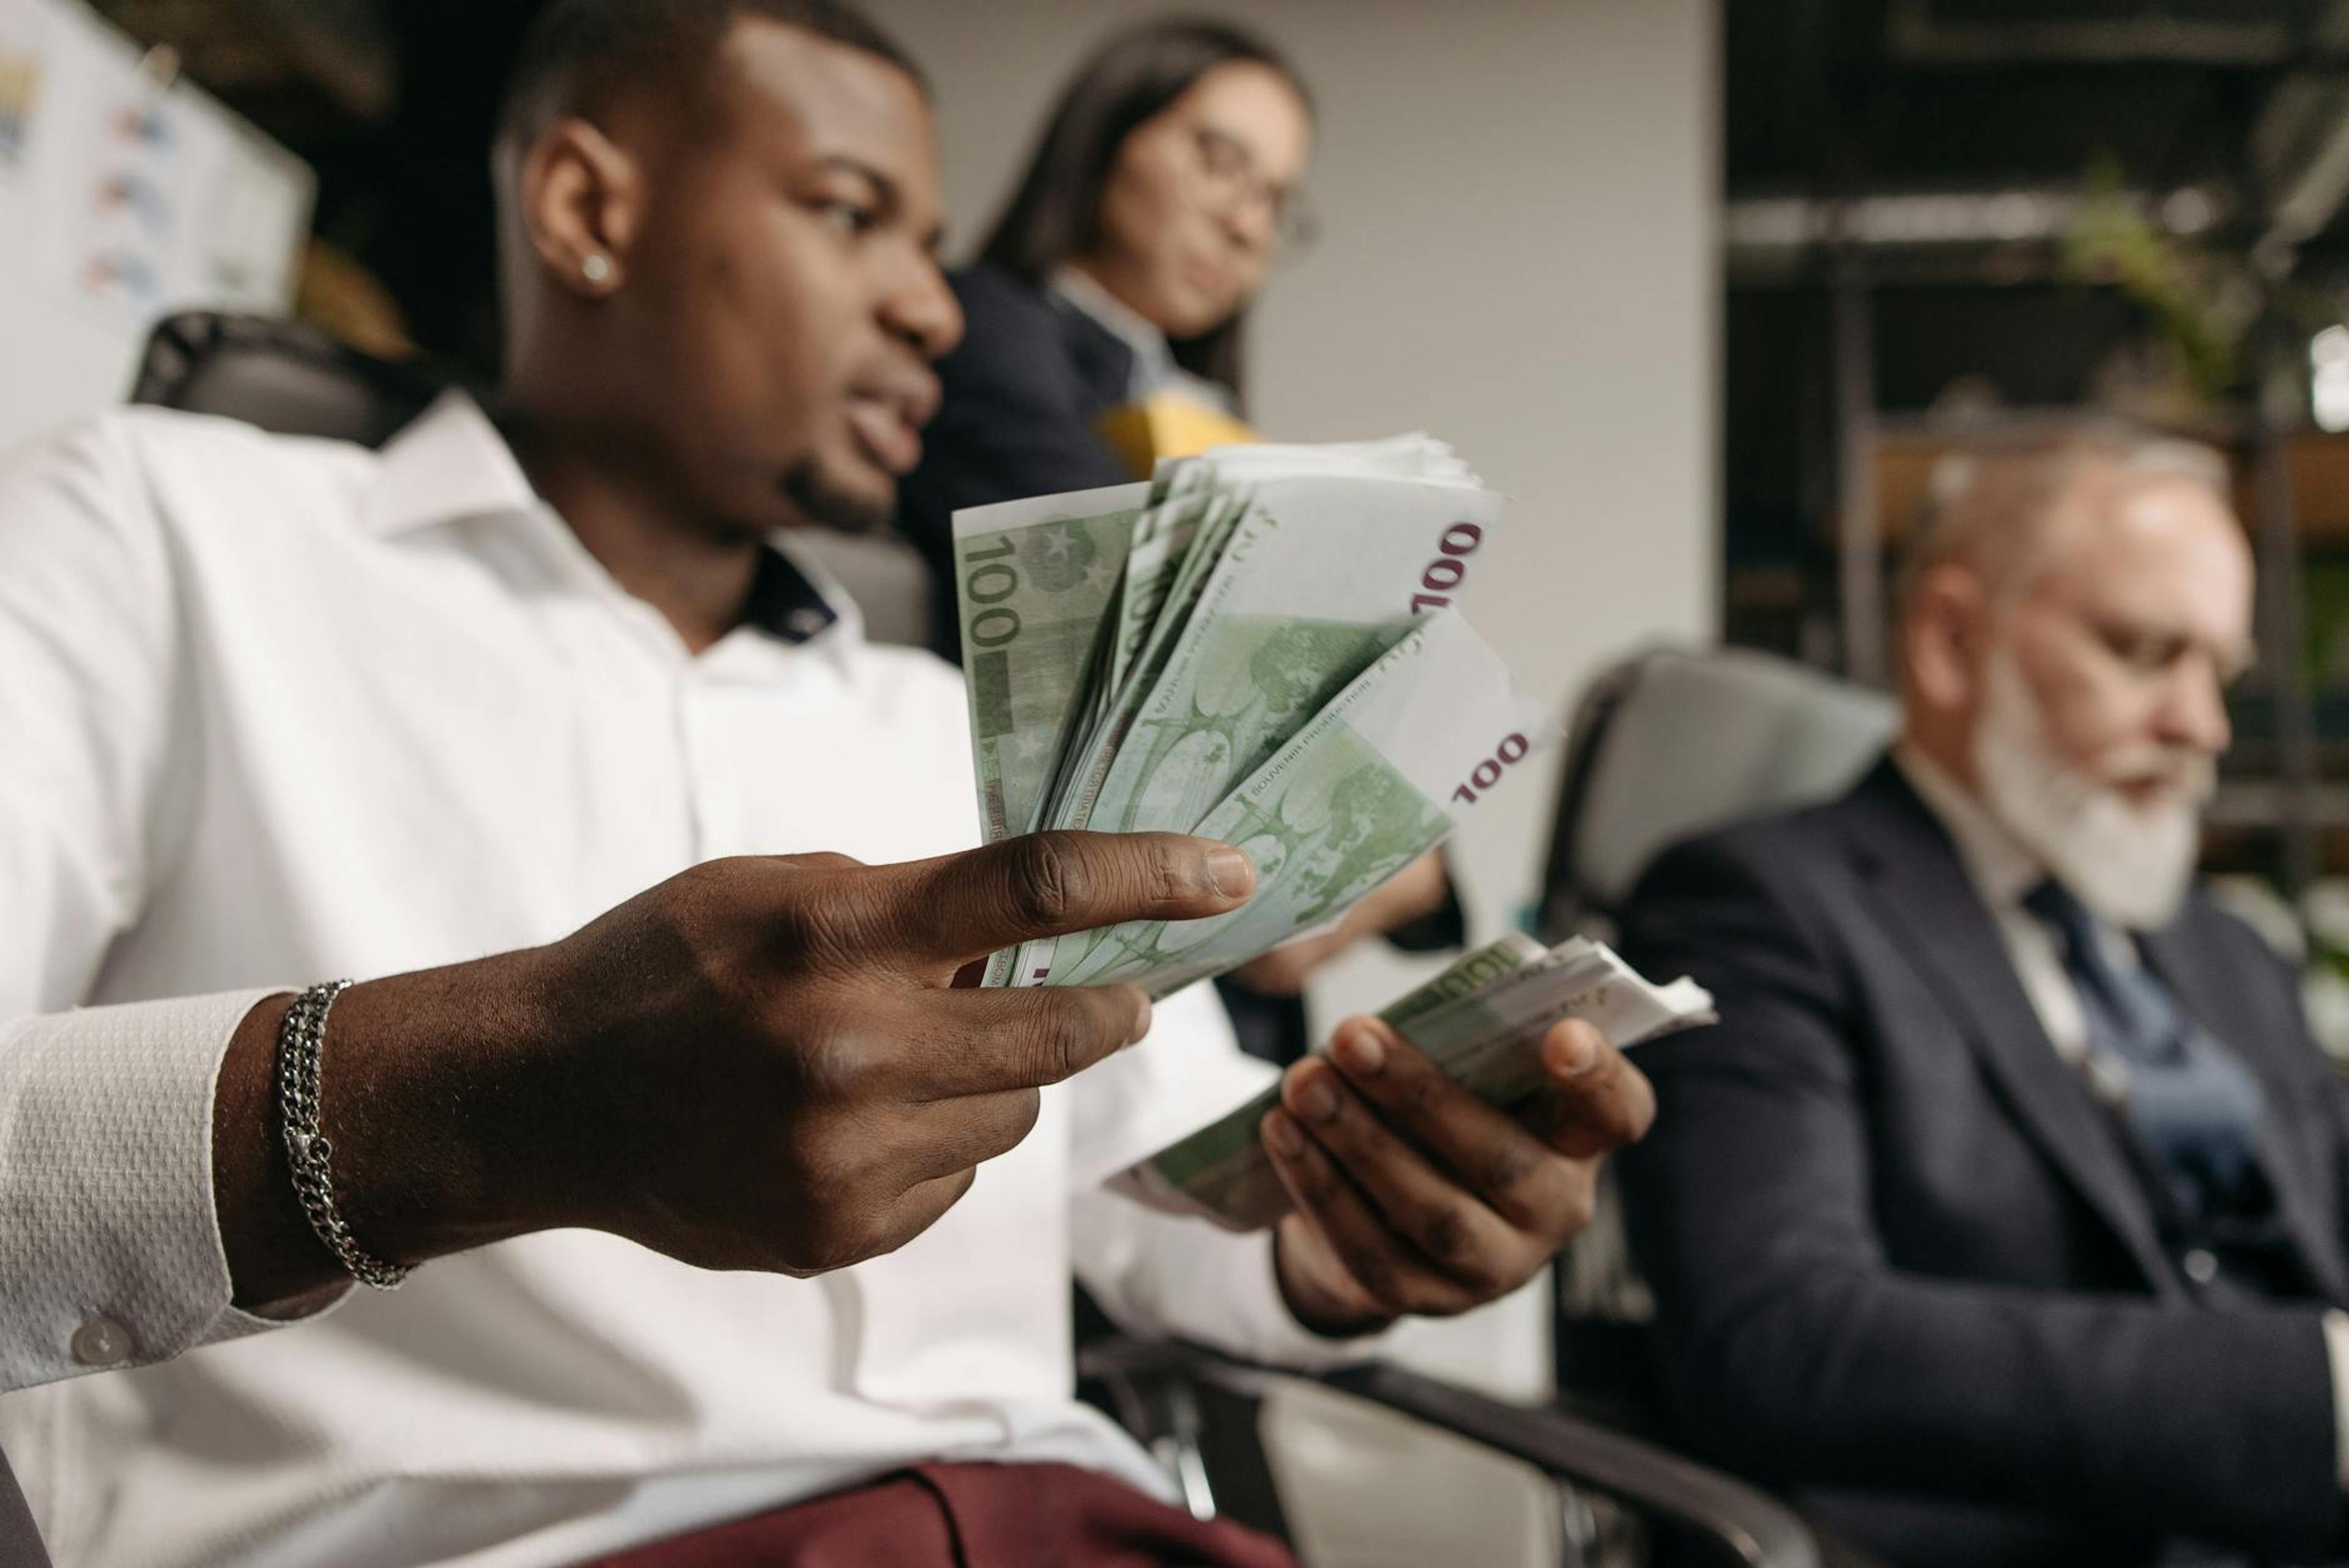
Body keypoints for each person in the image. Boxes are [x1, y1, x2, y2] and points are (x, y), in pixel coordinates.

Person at [0, 4, 1654, 1566]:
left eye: (931, 249)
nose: (935, 308)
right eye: (851, 214)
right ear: (587, 209)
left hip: (1068, 1517)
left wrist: (1357, 1228)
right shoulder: (160, 531)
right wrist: (510, 1099)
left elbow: (1152, 1202)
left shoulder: (950, 723)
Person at [1617, 422, 2349, 1568]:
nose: (2202, 727)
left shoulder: (2228, 954)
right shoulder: (1757, 906)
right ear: (1953, 640)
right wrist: (2321, 1397)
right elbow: (1776, 1339)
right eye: (2144, 652)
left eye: (2220, 673)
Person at [898, 18, 1457, 1065]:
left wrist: (1403, 860)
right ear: (1106, 137)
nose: (1246, 224)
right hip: (1051, 963)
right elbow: (1157, 612)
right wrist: (1384, 833)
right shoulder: (983, 329)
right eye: (1219, 161)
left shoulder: (1209, 412)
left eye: (1276, 201)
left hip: (1206, 977)